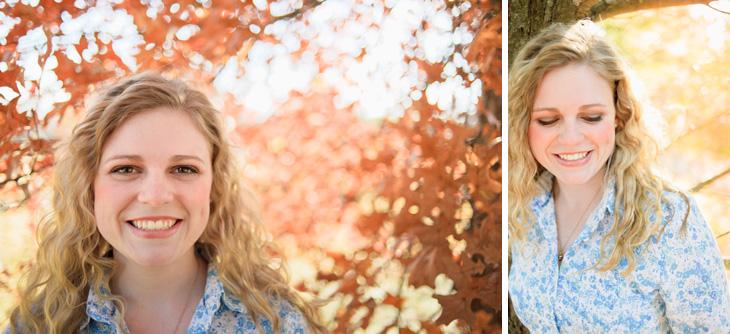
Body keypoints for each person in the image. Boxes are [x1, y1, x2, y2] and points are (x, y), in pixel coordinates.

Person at [5, 73, 327, 334]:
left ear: (214, 188)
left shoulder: (277, 324)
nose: (156, 196)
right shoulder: (39, 326)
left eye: (184, 169)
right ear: (89, 188)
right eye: (126, 169)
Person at [508, 19, 730, 332]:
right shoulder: (521, 207)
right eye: (547, 120)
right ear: (524, 126)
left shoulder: (668, 218)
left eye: (591, 117)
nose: (570, 138)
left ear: (618, 115)